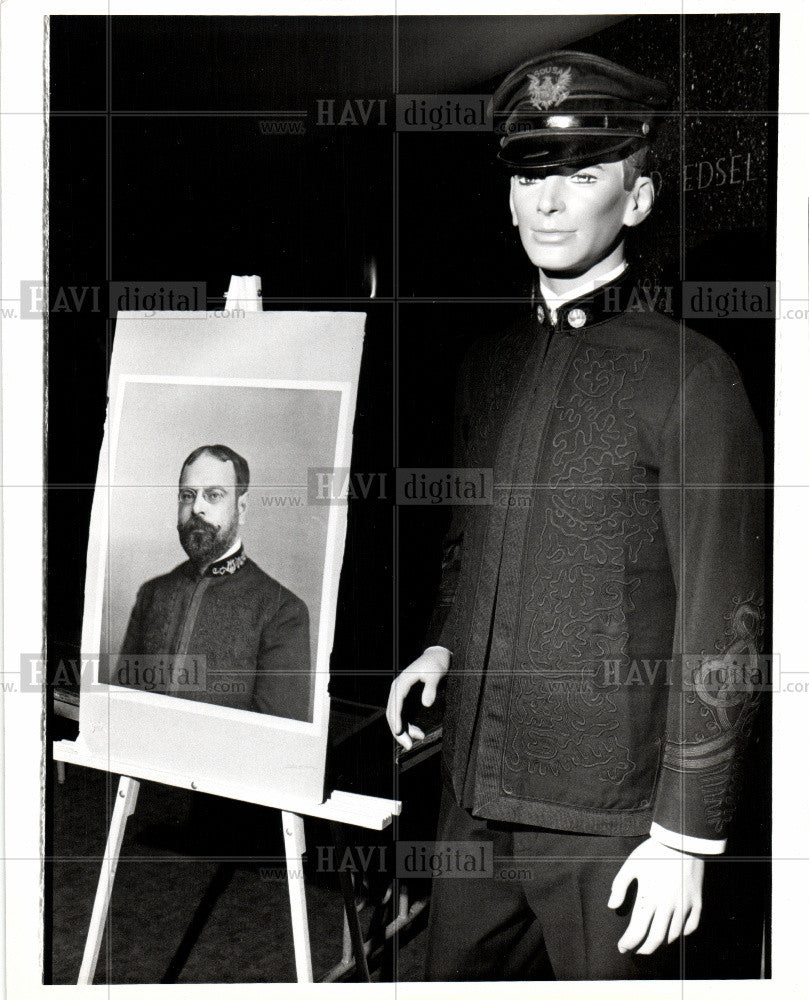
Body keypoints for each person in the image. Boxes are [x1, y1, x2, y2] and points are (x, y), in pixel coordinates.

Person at [387, 51, 765, 980]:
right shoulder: (487, 362)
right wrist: (441, 643)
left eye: (582, 176)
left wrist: (684, 831)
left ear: (634, 203)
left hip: (610, 822)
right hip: (473, 793)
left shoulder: (690, 376)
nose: (550, 204)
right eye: (530, 177)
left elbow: (727, 613)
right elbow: (471, 541)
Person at [109, 443, 313, 722]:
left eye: (213, 495)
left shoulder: (283, 611)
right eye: (187, 495)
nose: (196, 508)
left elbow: (274, 742)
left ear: (242, 508)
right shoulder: (152, 594)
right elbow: (119, 708)